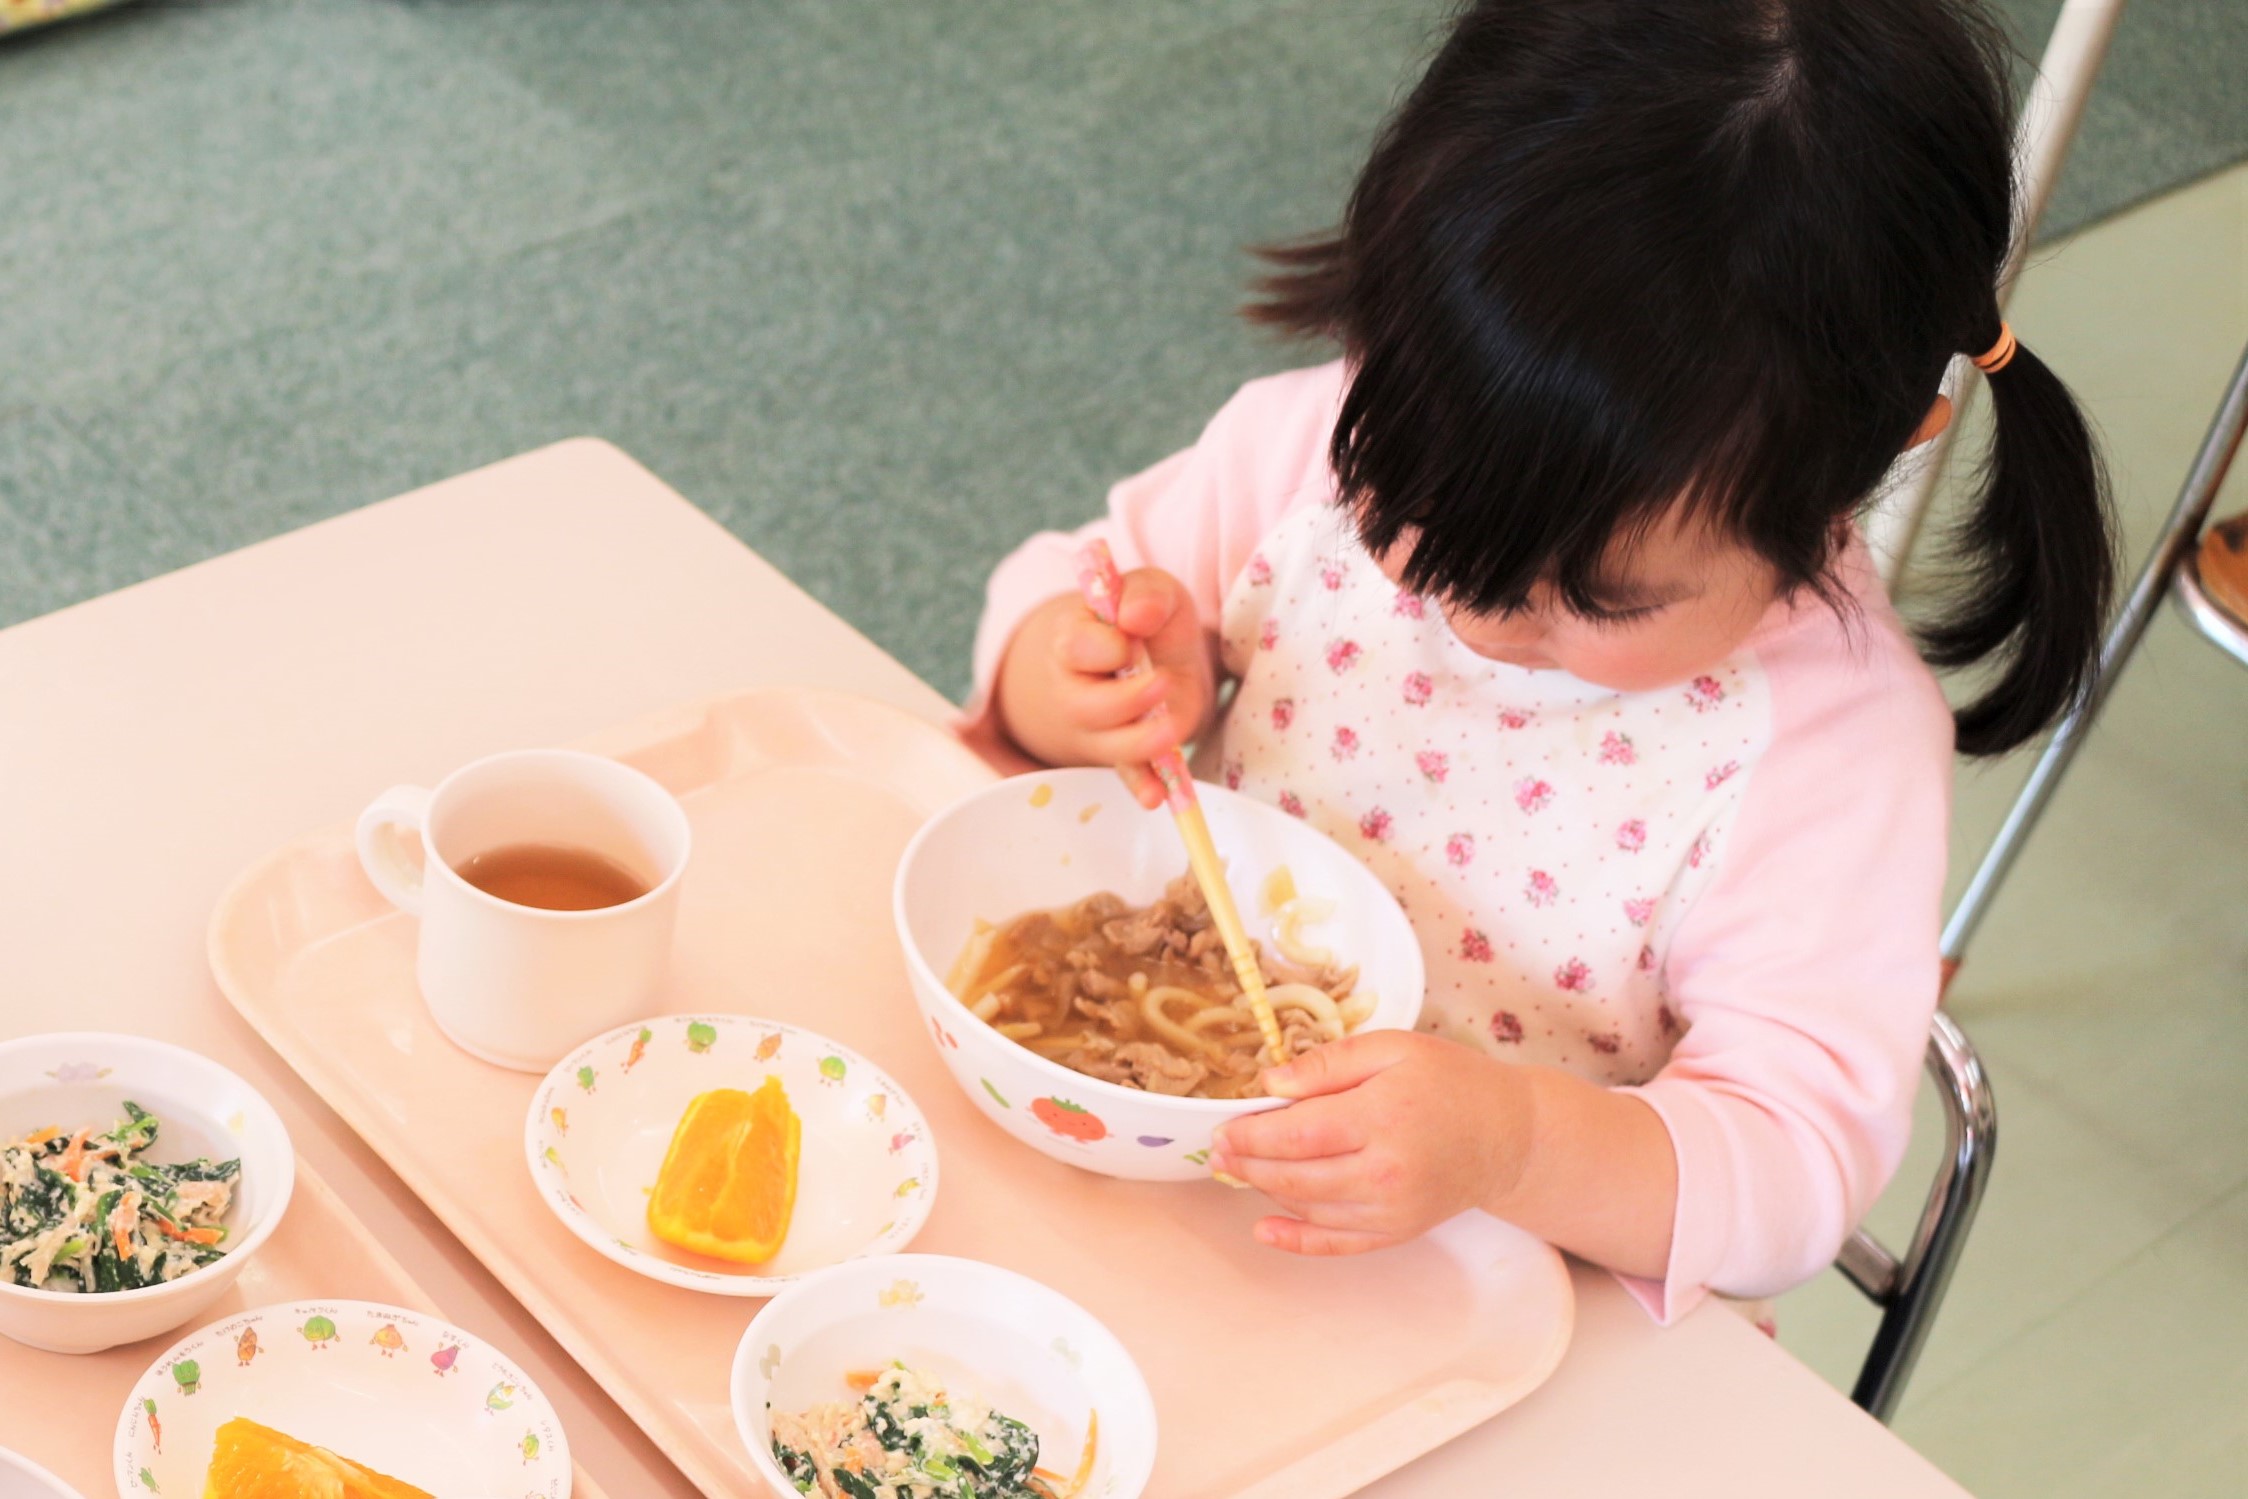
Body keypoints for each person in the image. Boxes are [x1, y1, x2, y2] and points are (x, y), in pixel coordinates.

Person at [960, 0, 2113, 1321]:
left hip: (1503, 1315)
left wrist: (1513, 1145)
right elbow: (1072, 584)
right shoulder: (1311, 450)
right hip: (1164, 1183)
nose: (1478, 617)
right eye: (1414, 518)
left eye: (1594, 598)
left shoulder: (1829, 750)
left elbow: (1795, 1167)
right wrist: (1072, 676)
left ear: (1872, 454)